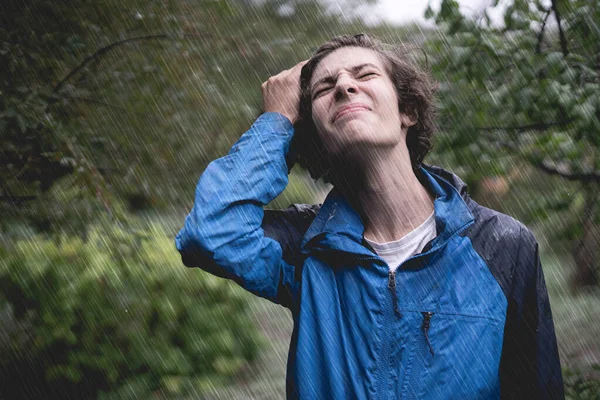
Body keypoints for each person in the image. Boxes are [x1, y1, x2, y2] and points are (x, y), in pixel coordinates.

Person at [175, 34, 564, 399]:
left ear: (407, 110)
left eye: (364, 75)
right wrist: (276, 123)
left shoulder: (502, 246)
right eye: (324, 89)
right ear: (315, 135)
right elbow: (210, 233)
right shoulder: (307, 246)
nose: (344, 86)